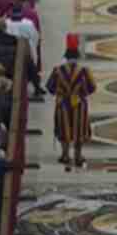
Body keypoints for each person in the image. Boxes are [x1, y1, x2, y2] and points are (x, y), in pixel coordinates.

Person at [46, 34, 97, 170]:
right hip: (79, 104)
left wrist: (61, 93)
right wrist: (80, 94)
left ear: (66, 57)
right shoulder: (84, 71)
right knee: (79, 131)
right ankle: (78, 157)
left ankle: (65, 155)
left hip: (62, 104)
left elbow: (50, 87)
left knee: (64, 130)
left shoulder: (57, 71)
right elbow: (92, 87)